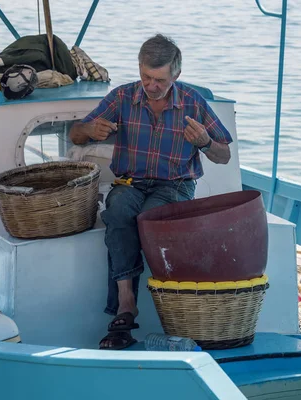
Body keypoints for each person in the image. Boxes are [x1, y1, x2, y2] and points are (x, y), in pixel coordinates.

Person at [69, 34, 233, 350]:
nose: (151, 85)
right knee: (117, 210)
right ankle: (126, 302)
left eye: (159, 79)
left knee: (150, 218)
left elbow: (222, 154)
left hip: (176, 184)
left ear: (176, 75)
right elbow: (77, 133)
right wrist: (90, 130)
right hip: (132, 182)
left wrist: (205, 143)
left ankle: (171, 313)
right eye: (146, 76)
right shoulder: (121, 97)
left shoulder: (193, 102)